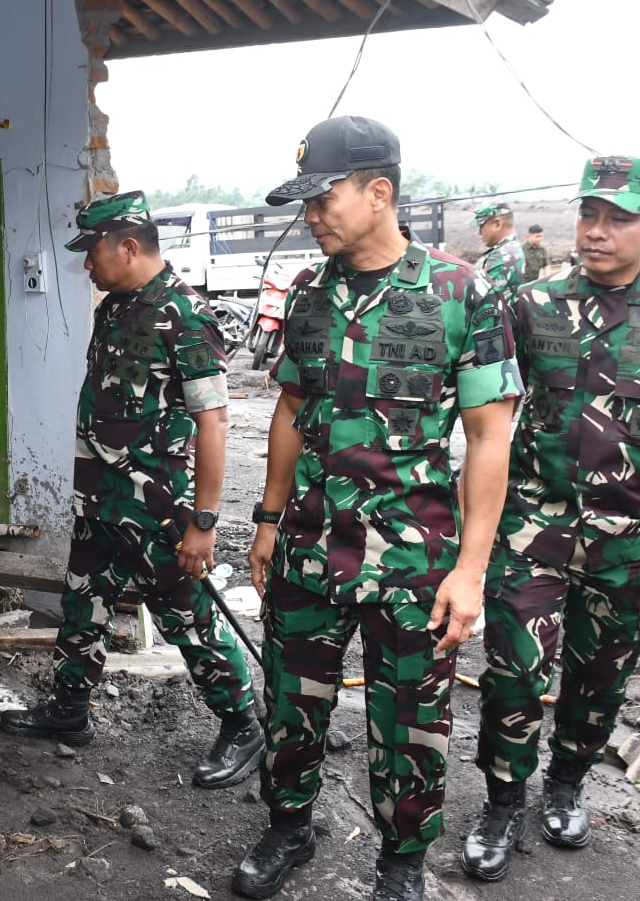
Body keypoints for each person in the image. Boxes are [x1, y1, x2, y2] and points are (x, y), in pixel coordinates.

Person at [232, 115, 523, 901]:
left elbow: (489, 437)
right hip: (308, 549)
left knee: (412, 725)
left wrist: (470, 571)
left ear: (379, 191)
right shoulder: (307, 294)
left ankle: (400, 865)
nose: (311, 215)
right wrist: (266, 520)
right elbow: (291, 409)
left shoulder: (460, 292)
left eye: (322, 198)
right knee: (291, 701)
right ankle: (287, 827)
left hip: (411, 559)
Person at [462, 156, 640, 884]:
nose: (598, 230)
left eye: (620, 218)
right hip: (532, 527)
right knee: (514, 672)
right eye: (589, 214)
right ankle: (502, 800)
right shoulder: (531, 303)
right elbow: (492, 419)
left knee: (600, 677)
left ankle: (567, 783)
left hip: (632, 534)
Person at [0, 190, 262, 790]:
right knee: (81, 601)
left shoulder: (186, 317)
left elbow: (213, 422)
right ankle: (69, 710)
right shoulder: (115, 308)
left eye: (91, 251)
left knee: (185, 616)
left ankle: (241, 724)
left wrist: (205, 521)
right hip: (99, 497)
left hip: (155, 507)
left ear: (129, 247)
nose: (85, 263)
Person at [474, 201, 527, 296]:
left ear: (497, 224)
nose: (479, 233)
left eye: (481, 226)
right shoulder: (509, 250)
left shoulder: (503, 256)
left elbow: (480, 298)